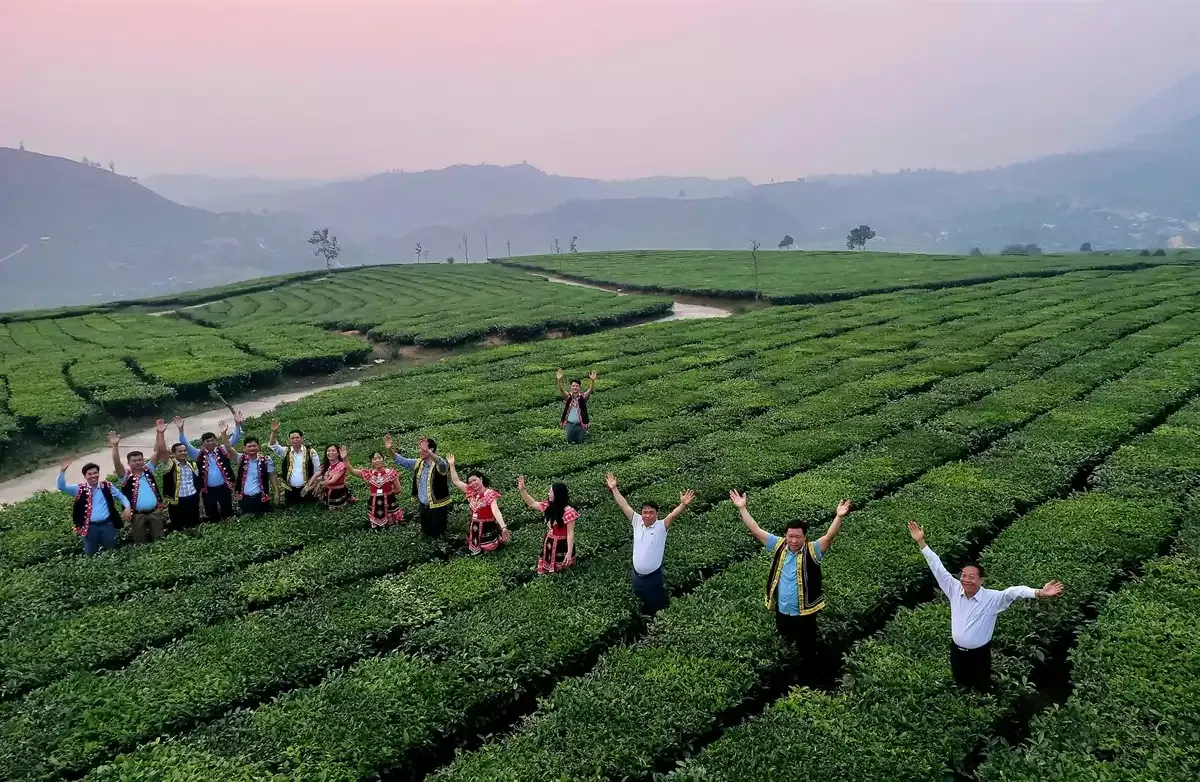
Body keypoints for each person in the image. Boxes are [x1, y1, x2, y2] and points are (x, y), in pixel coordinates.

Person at [907, 520, 1064, 692]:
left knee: (982, 687)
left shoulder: (992, 598)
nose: (966, 580)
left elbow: (1014, 591)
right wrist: (921, 543)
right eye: (964, 575)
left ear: (981, 580)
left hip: (979, 655)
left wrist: (1039, 592)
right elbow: (937, 567)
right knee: (961, 686)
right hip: (957, 652)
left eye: (972, 577)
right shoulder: (954, 589)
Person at [732, 490, 850, 651]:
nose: (793, 540)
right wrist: (742, 508)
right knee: (785, 645)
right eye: (790, 536)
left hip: (805, 613)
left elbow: (828, 537)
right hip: (782, 610)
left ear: (805, 537)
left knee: (806, 647)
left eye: (798, 537)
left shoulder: (812, 549)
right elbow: (756, 530)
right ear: (785, 535)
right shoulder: (779, 544)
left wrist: (839, 516)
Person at [605, 472, 694, 615]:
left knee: (657, 605)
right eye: (645, 512)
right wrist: (614, 489)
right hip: (636, 576)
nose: (647, 515)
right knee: (639, 604)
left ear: (656, 514)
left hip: (653, 577)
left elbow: (673, 515)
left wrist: (683, 504)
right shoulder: (636, 521)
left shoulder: (661, 526)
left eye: (650, 512)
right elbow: (624, 505)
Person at [108, 420, 170, 543]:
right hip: (137, 515)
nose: (138, 462)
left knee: (160, 540)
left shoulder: (148, 469)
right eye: (134, 461)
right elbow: (116, 463)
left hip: (155, 512)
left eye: (140, 460)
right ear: (129, 463)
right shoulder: (125, 476)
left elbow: (158, 453)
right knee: (140, 542)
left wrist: (160, 433)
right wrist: (115, 446)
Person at [56, 458, 133, 555]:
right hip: (89, 527)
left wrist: (127, 506)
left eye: (95, 473)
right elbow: (61, 487)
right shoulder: (79, 489)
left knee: (112, 551)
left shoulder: (106, 486)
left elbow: (121, 497)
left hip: (107, 524)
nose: (93, 476)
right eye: (90, 474)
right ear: (85, 476)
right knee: (91, 552)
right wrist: (62, 471)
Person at [175, 413, 243, 522]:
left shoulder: (223, 449)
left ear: (215, 441)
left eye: (212, 440)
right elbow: (185, 444)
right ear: (203, 443)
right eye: (207, 441)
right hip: (208, 490)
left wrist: (237, 424)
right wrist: (181, 430)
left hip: (224, 487)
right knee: (212, 513)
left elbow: (234, 440)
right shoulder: (198, 453)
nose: (210, 442)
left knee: (227, 510)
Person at [387, 434, 451, 537]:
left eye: (422, 448)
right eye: (419, 448)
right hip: (423, 506)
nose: (420, 451)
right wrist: (390, 450)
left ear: (431, 449)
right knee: (426, 532)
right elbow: (401, 461)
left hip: (438, 507)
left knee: (439, 534)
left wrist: (429, 452)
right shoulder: (418, 463)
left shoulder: (440, 465)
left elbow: (442, 464)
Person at [448, 454, 509, 554]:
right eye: (470, 482)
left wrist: (503, 527)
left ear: (480, 479)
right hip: (474, 526)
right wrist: (451, 465)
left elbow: (495, 510)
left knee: (488, 550)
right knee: (474, 548)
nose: (472, 483)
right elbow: (456, 481)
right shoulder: (471, 491)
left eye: (474, 480)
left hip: (487, 526)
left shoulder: (490, 493)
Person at [518, 475, 579, 574]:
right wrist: (522, 490)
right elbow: (532, 503)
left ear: (557, 494)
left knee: (563, 571)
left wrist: (569, 552)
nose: (548, 494)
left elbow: (570, 534)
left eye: (551, 492)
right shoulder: (549, 506)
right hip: (549, 542)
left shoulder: (569, 512)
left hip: (562, 544)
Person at [219, 423, 277, 515]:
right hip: (244, 499)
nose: (252, 448)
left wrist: (277, 492)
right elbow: (229, 448)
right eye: (249, 446)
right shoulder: (241, 458)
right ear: (244, 448)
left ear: (258, 447)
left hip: (261, 498)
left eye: (254, 446)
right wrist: (224, 434)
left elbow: (272, 476)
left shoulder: (266, 460)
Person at [346, 447, 404, 528]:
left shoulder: (391, 473)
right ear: (371, 462)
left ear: (383, 459)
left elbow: (398, 489)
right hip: (374, 503)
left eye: (379, 458)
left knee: (391, 526)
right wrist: (345, 458)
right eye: (374, 459)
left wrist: (388, 494)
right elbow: (352, 470)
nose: (377, 460)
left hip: (389, 502)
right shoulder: (368, 474)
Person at [269, 420, 321, 507]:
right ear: (289, 440)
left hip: (307, 489)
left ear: (302, 438)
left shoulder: (311, 452)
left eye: (297, 438)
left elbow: (318, 470)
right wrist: (274, 432)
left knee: (308, 508)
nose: (295, 440)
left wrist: (317, 485)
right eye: (292, 438)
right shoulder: (286, 451)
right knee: (291, 509)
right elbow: (273, 446)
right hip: (290, 490)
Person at [161, 438, 202, 531]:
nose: (183, 453)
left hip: (193, 498)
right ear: (173, 453)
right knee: (179, 526)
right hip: (177, 502)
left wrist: (200, 500)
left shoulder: (193, 465)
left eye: (184, 451)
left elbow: (197, 484)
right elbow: (162, 452)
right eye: (180, 451)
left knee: (194, 524)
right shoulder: (169, 465)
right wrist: (161, 434)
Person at [304, 444, 352, 509]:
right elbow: (317, 474)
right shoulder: (326, 464)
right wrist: (309, 484)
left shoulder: (341, 465)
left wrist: (319, 483)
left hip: (337, 491)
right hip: (328, 489)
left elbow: (332, 481)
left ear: (338, 453)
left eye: (333, 451)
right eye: (328, 451)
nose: (330, 452)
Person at [557, 369, 597, 444]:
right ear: (571, 387)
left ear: (579, 387)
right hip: (570, 424)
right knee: (569, 441)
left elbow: (590, 390)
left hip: (581, 424)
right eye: (573, 386)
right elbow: (562, 390)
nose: (575, 387)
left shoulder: (583, 397)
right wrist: (559, 380)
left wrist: (592, 381)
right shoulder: (568, 397)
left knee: (580, 442)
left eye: (576, 386)